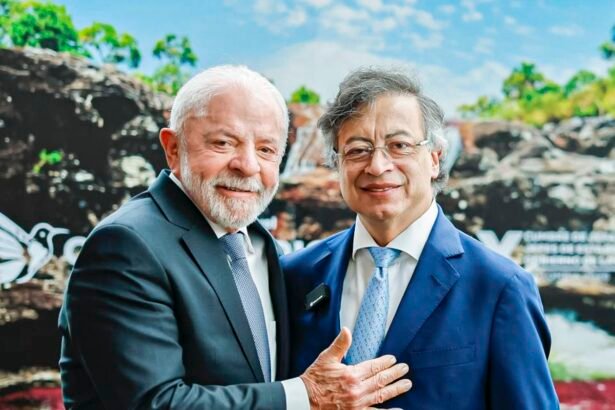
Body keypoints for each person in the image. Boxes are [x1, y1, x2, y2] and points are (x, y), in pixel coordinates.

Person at [58, 65, 412, 409]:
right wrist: (306, 397)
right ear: (173, 148)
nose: (248, 165)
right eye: (224, 143)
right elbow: (155, 402)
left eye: (266, 150)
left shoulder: (261, 246)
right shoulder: (126, 246)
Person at [282, 68, 559, 409]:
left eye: (399, 145)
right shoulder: (295, 276)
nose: (377, 166)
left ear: (434, 159)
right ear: (336, 164)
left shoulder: (500, 287)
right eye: (357, 150)